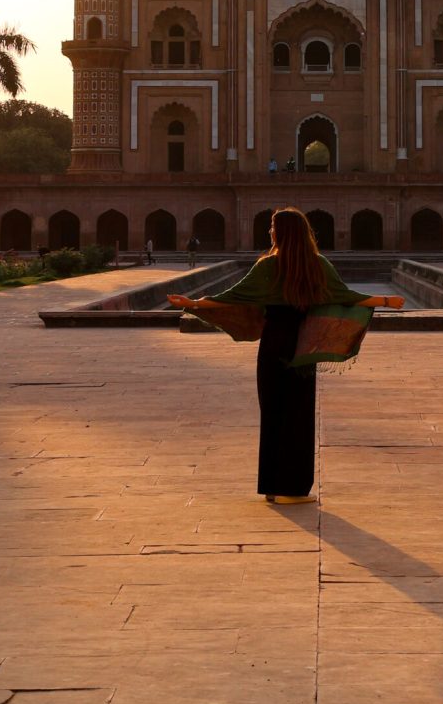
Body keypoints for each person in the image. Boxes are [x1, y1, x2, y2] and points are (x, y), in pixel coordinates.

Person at [169, 207, 404, 504]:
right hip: (301, 345)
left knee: (273, 414)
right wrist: (385, 300)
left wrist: (193, 303)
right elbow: (345, 297)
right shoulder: (317, 265)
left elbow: (232, 297)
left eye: (272, 227)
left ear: (282, 232)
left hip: (273, 344)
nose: (270, 232)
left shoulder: (268, 267)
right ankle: (291, 490)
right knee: (298, 415)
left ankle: (272, 486)